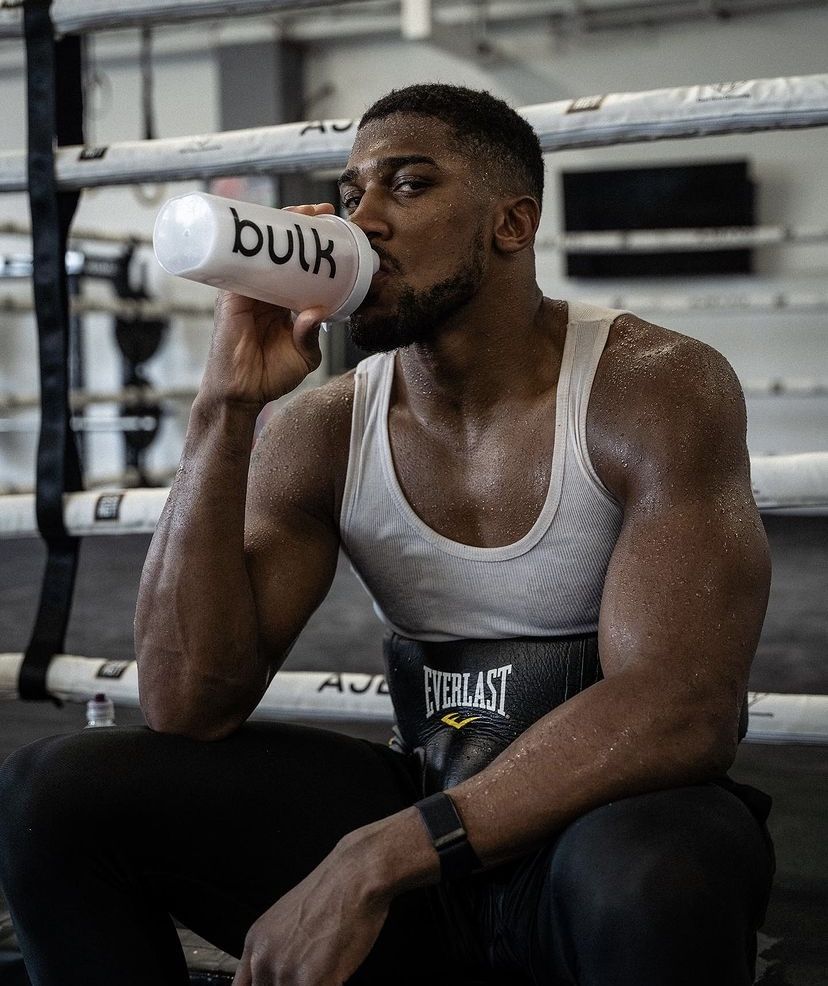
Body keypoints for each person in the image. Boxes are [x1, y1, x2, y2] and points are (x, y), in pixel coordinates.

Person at [0, 83, 775, 986]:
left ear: (512, 224)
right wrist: (223, 409)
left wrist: (379, 856)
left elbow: (682, 708)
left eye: (407, 185)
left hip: (603, 827)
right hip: (432, 809)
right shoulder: (323, 428)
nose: (361, 220)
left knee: (655, 873)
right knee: (53, 794)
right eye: (351, 192)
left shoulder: (651, 387)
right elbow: (187, 703)